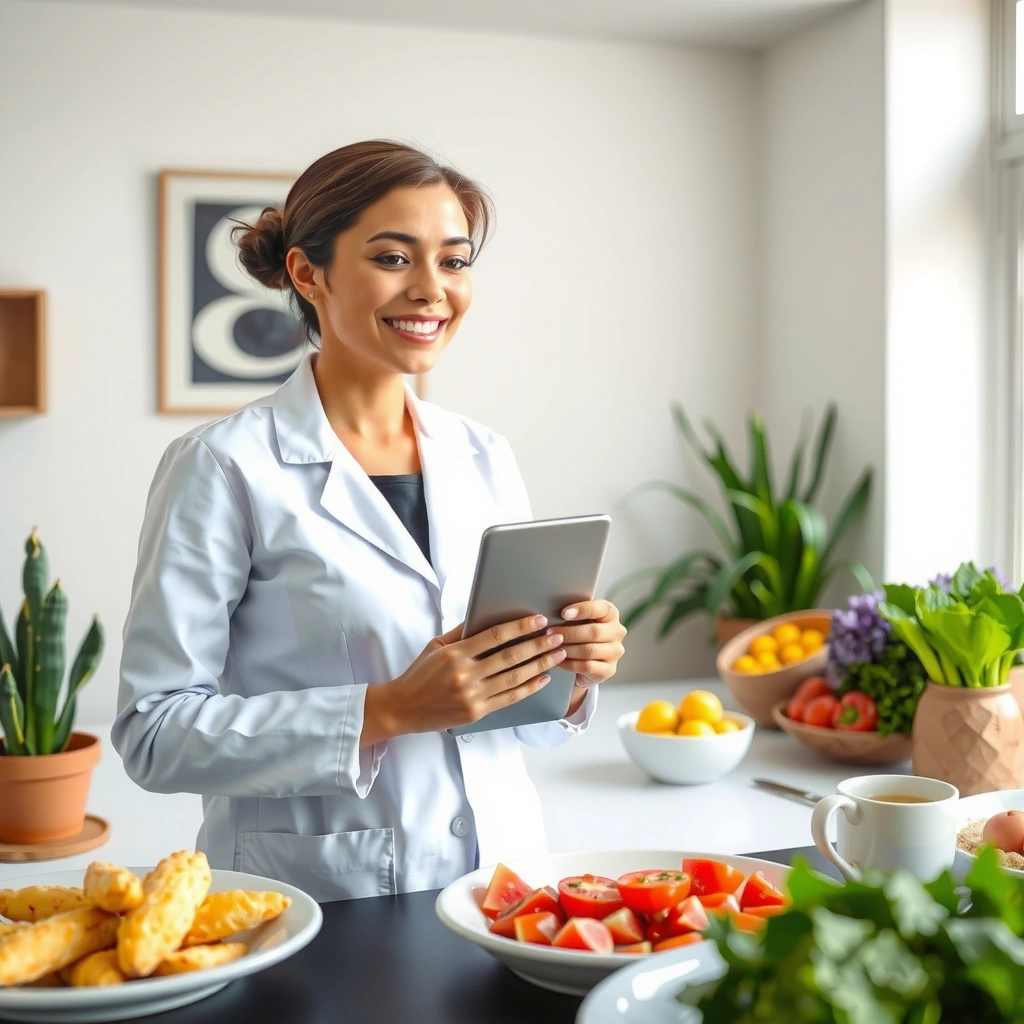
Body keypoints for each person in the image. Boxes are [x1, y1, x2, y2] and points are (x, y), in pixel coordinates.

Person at [113, 140, 627, 901]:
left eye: (453, 262)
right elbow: (154, 736)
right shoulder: (222, 466)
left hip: (507, 883)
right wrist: (388, 709)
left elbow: (513, 714)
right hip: (321, 896)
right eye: (393, 258)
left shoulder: (484, 455)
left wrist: (571, 669)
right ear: (306, 272)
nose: (431, 290)